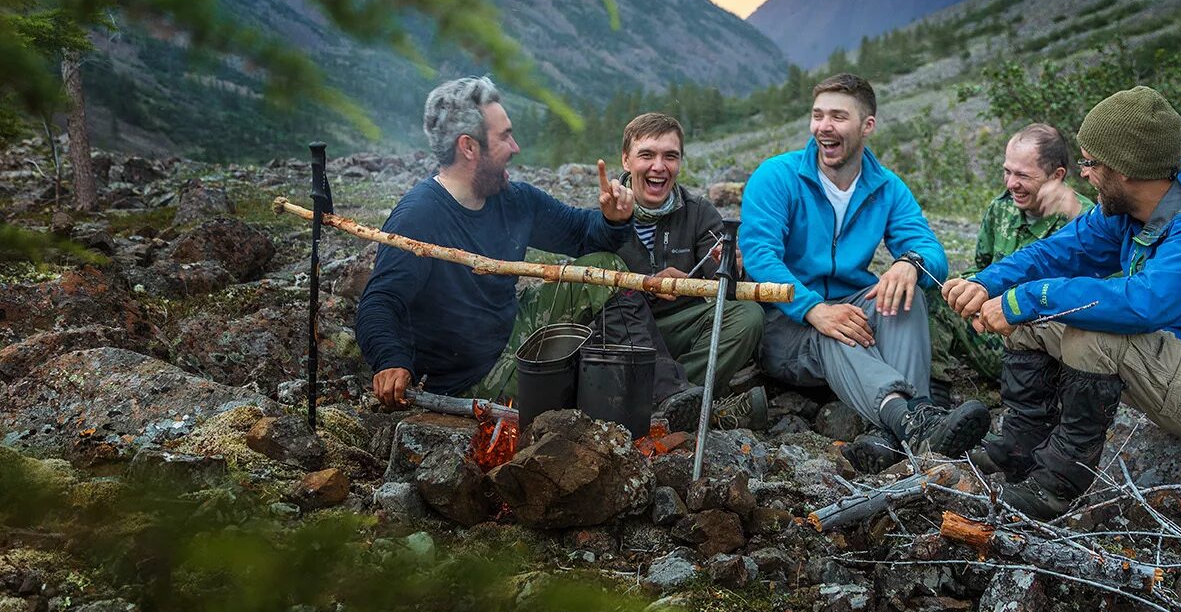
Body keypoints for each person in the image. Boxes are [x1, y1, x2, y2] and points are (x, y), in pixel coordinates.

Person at [944, 86, 1181, 520]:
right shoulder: (1131, 210)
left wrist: (1029, 297)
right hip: (1175, 367)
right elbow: (1058, 252)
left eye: (1090, 163)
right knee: (1033, 317)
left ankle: (1056, 486)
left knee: (1091, 330)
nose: (1083, 175)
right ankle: (1018, 450)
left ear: (1125, 170)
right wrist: (987, 283)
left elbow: (1144, 304)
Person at [739, 73, 990, 473]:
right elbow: (759, 257)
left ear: (867, 125)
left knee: (904, 296)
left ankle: (910, 423)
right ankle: (909, 421)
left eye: (838, 117)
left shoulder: (886, 187)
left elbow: (931, 252)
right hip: (785, 326)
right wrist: (813, 309)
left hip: (850, 308)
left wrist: (910, 263)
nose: (824, 126)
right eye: (818, 115)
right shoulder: (777, 176)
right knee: (835, 330)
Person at [356, 76, 636, 406]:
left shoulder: (514, 199)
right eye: (504, 137)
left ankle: (651, 386)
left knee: (605, 268)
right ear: (469, 147)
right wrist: (391, 360)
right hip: (469, 379)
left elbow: (580, 234)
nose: (515, 148)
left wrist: (612, 219)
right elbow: (380, 300)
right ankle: (612, 396)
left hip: (511, 327)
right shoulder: (419, 217)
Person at [613, 112, 767, 431]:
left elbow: (724, 288)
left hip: (681, 327)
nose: (659, 166)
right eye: (647, 155)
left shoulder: (698, 212)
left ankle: (677, 401)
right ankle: (693, 404)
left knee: (747, 316)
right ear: (626, 160)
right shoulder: (605, 215)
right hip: (627, 332)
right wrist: (647, 285)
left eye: (670, 156)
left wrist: (732, 268)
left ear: (680, 162)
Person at [928, 124, 1093, 384]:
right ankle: (934, 392)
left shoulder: (1084, 218)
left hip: (1048, 349)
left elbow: (1103, 292)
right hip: (993, 329)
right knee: (936, 295)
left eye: (1023, 175)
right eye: (1007, 171)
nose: (1011, 183)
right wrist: (969, 292)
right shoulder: (1001, 209)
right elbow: (980, 267)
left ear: (1056, 175)